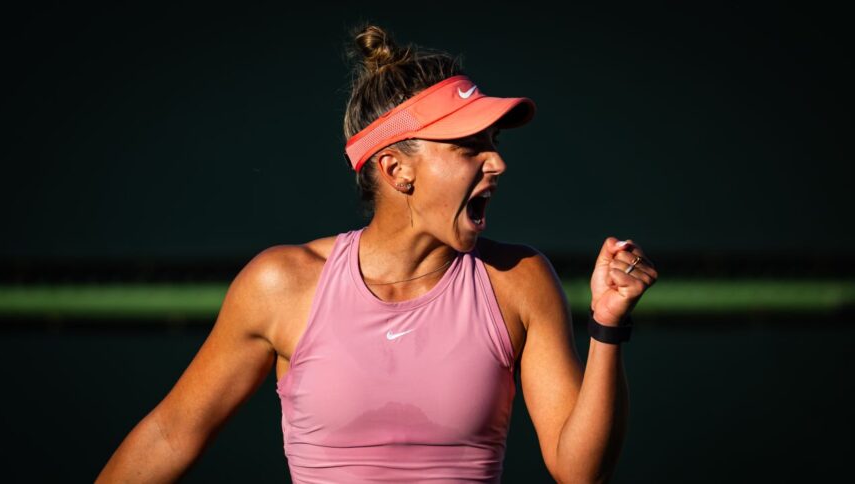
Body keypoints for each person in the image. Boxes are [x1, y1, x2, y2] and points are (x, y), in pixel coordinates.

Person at [97, 24, 658, 484]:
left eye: (494, 145)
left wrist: (607, 328)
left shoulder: (520, 279)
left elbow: (580, 473)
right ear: (396, 170)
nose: (497, 165)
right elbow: (170, 436)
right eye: (468, 148)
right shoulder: (281, 283)